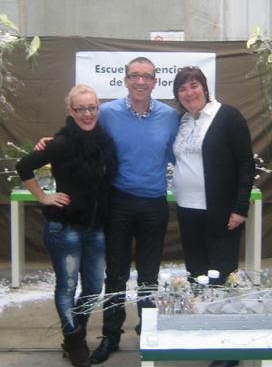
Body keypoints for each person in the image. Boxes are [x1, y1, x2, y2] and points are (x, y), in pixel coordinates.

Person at [36, 57, 179, 364]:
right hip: (118, 203)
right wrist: (51, 142)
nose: (140, 81)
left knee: (149, 277)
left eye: (147, 77)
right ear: (125, 80)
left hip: (154, 203)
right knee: (114, 276)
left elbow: (182, 154)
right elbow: (80, 129)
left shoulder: (170, 117)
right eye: (134, 76)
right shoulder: (109, 113)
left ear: (155, 82)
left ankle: (148, 334)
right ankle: (111, 336)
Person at [16, 84, 117, 367]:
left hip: (95, 226)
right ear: (71, 111)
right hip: (65, 227)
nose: (87, 114)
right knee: (67, 286)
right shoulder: (60, 143)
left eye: (92, 107)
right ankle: (74, 342)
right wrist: (44, 197)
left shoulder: (105, 140)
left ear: (99, 107)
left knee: (94, 287)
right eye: (80, 109)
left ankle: (76, 330)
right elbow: (24, 166)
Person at [171, 66, 254, 367]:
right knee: (197, 273)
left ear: (205, 88)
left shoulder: (227, 117)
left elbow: (246, 165)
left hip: (221, 213)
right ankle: (208, 335)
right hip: (188, 210)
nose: (189, 92)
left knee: (221, 275)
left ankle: (230, 349)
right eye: (182, 89)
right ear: (177, 96)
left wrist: (240, 208)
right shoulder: (182, 121)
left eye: (194, 86)